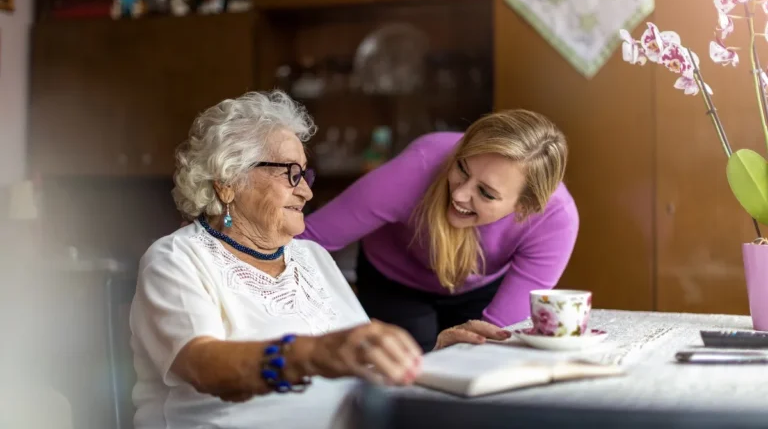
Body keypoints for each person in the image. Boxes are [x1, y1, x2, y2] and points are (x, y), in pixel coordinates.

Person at [129, 90, 511, 429]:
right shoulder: (177, 259)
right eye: (291, 175)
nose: (308, 192)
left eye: (305, 174)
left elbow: (357, 361)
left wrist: (427, 360)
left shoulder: (310, 257)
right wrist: (311, 353)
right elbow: (202, 364)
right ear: (228, 182)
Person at [299, 110, 579, 351]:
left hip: (480, 287)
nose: (459, 195)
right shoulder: (419, 166)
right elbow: (306, 240)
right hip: (395, 280)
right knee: (402, 374)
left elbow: (499, 336)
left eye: (485, 193)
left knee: (480, 361)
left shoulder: (555, 220)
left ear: (525, 208)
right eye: (462, 168)